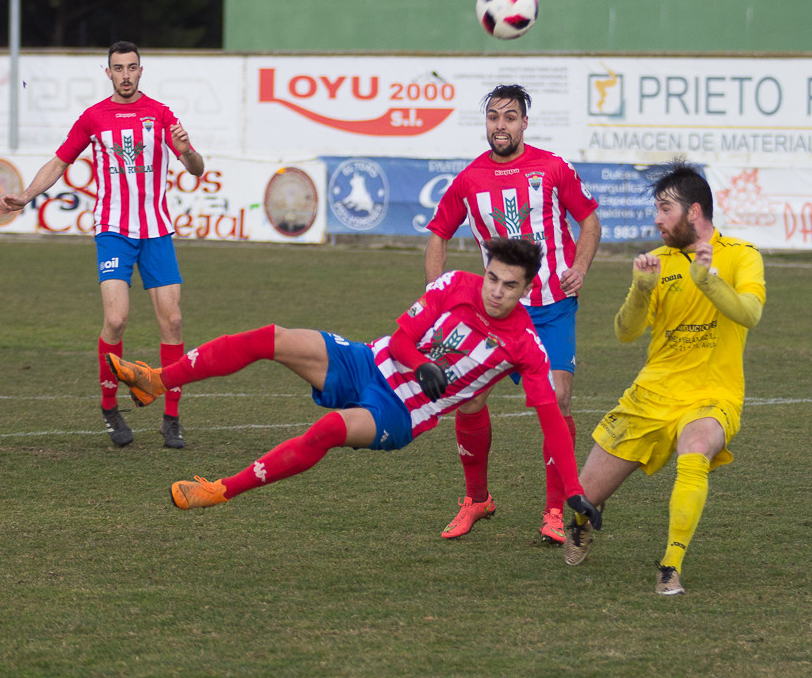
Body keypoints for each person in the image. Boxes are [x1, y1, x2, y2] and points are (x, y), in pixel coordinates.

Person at [104, 237, 600, 537]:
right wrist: (420, 361)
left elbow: (550, 419)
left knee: (326, 430)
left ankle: (219, 490)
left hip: (400, 413)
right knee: (268, 338)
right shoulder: (453, 285)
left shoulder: (527, 347)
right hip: (367, 360)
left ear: (526, 289)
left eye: (508, 286)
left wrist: (574, 491)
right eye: (492, 278)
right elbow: (404, 335)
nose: (495, 291)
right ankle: (155, 381)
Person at [562, 160, 765, 597]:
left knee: (696, 448)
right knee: (582, 497)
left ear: (694, 212)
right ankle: (580, 525)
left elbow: (750, 314)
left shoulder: (741, 255)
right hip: (651, 395)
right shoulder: (654, 262)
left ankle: (670, 566)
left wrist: (707, 281)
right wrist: (640, 290)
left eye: (664, 208)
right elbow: (625, 332)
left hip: (712, 395)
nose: (656, 218)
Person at [0, 41, 205, 448]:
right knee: (116, 320)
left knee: (174, 321)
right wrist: (26, 195)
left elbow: (196, 168)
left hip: (156, 231)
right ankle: (110, 407)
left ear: (141, 71)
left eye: (131, 67)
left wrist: (189, 148)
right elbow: (60, 161)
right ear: (107, 73)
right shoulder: (93, 118)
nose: (125, 74)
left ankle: (172, 419)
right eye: (118, 68)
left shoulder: (161, 115)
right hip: (113, 230)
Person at [424, 84, 602, 545]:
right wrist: (435, 293)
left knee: (559, 402)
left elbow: (589, 219)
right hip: (494, 311)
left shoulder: (553, 168)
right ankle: (477, 499)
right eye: (493, 118)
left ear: (525, 123)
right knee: (469, 400)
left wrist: (579, 268)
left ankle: (554, 512)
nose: (500, 126)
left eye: (509, 117)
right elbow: (439, 233)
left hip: (551, 308)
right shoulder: (468, 180)